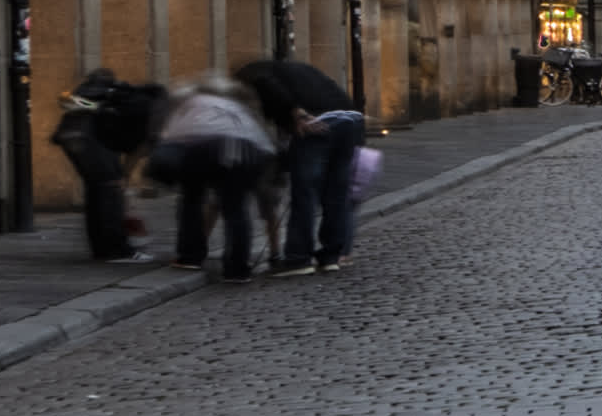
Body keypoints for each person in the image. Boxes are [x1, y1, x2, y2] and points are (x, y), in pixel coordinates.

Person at [238, 50, 371, 273]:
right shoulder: (302, 71)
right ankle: (331, 256)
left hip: (315, 122)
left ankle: (299, 258)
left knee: (305, 192)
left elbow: (265, 85)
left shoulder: (256, 74)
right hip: (351, 121)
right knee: (336, 193)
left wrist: (295, 112)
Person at [146, 78, 277, 281]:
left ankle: (189, 257)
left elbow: (170, 135)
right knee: (236, 208)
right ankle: (237, 268)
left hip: (204, 146)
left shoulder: (192, 101)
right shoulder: (236, 107)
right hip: (250, 150)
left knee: (191, 198)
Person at [49, 68, 159, 262]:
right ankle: (116, 251)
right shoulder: (147, 106)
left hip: (71, 138)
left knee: (97, 190)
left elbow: (65, 101)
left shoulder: (94, 92)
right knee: (110, 189)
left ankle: (101, 249)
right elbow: (139, 148)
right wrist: (125, 176)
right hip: (93, 141)